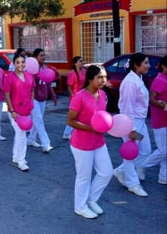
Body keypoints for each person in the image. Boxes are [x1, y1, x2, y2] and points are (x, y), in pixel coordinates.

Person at [67, 64, 112, 219]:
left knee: (106, 172)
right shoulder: (80, 96)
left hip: (99, 142)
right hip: (82, 144)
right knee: (84, 177)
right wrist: (91, 128)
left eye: (105, 77)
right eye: (99, 77)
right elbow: (70, 121)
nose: (103, 80)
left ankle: (91, 199)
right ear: (90, 79)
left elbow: (103, 118)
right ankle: (80, 206)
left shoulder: (103, 95)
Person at [113, 53, 151, 197]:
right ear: (136, 65)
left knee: (145, 151)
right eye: (145, 63)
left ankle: (120, 171)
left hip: (140, 122)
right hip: (130, 122)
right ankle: (133, 184)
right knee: (130, 155)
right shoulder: (130, 82)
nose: (148, 66)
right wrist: (131, 129)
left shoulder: (138, 78)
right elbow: (127, 107)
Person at [3, 54, 35, 171]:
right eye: (18, 62)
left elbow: (32, 89)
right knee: (22, 136)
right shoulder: (9, 77)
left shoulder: (29, 75)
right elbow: (6, 94)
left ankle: (16, 156)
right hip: (15, 111)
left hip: (27, 110)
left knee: (20, 135)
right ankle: (21, 161)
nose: (20, 64)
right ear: (13, 64)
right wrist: (12, 110)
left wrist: (31, 102)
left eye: (22, 62)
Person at [139, 55, 167, 185]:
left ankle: (163, 176)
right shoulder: (160, 80)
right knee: (163, 150)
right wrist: (165, 106)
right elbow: (151, 99)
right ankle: (142, 165)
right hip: (160, 120)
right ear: (163, 66)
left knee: (165, 150)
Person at [27, 48, 56, 152]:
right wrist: (35, 76)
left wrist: (53, 95)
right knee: (39, 120)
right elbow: (27, 82)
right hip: (33, 97)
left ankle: (31, 139)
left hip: (43, 97)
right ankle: (46, 144)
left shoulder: (45, 67)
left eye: (44, 55)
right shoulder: (30, 68)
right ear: (35, 57)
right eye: (41, 55)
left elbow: (48, 82)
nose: (43, 57)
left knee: (37, 120)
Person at [62, 56, 86, 140]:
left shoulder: (84, 71)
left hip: (83, 96)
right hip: (75, 97)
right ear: (75, 63)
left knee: (80, 116)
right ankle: (67, 133)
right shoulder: (72, 74)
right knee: (75, 116)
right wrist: (73, 96)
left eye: (82, 61)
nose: (82, 62)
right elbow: (69, 87)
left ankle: (70, 133)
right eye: (80, 61)